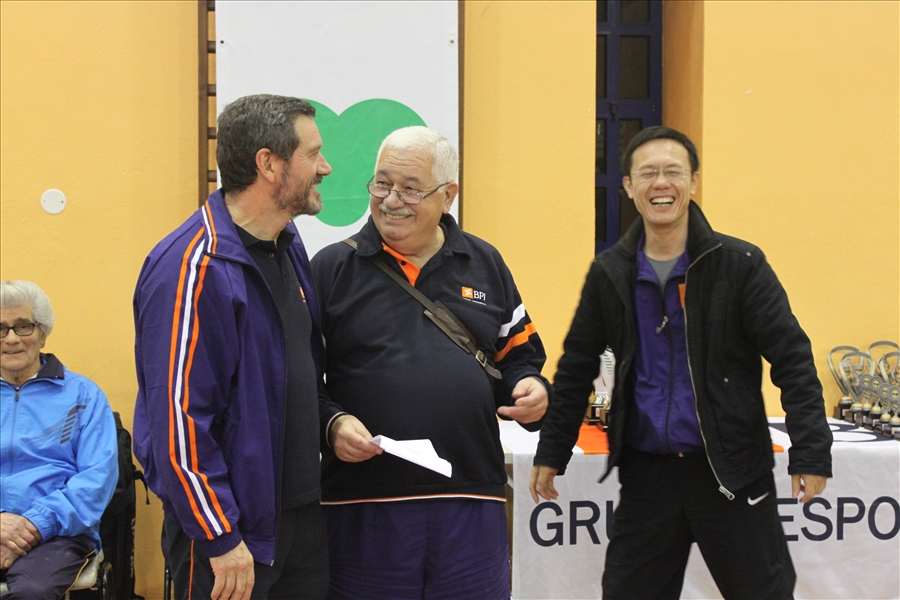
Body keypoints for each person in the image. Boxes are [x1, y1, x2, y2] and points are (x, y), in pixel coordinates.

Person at [530, 126, 833, 599]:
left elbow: (792, 360)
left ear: (693, 181)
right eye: (647, 173)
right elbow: (575, 370)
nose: (661, 183)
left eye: (673, 171)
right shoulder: (611, 272)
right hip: (647, 477)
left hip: (731, 471)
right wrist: (552, 451)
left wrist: (811, 452)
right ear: (628, 186)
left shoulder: (740, 264)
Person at [311, 126, 552, 599]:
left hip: (471, 500)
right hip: (363, 505)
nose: (391, 200)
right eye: (382, 184)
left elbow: (519, 357)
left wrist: (532, 389)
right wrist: (330, 424)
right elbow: (297, 379)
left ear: (448, 196)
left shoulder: (485, 262)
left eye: (410, 189)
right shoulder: (331, 269)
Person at [133, 94, 342, 600]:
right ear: (269, 164)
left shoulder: (288, 243)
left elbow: (295, 373)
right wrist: (219, 534)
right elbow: (177, 419)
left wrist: (332, 422)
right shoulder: (192, 268)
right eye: (313, 154)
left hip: (298, 520)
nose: (326, 168)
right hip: (229, 537)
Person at [0, 280, 118, 600]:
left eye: (23, 326)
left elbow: (96, 479)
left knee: (32, 591)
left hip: (59, 535)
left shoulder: (83, 396)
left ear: (42, 333)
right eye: (0, 328)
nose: (11, 338)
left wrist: (34, 525)